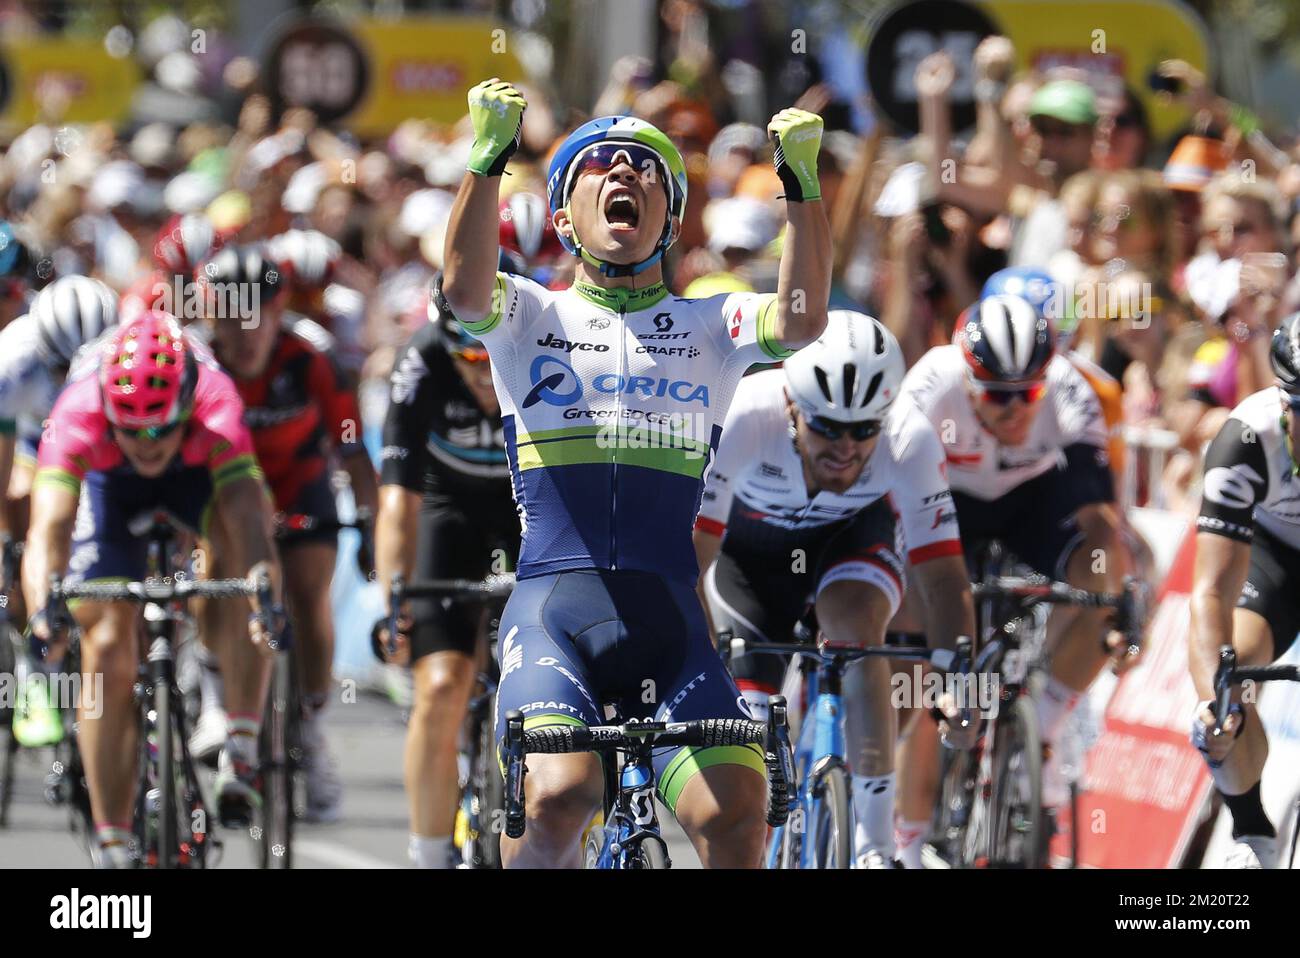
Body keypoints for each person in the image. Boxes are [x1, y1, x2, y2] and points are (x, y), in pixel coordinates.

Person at [439, 77, 830, 868]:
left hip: (669, 622)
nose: (625, 173)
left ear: (672, 220)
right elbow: (462, 287)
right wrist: (487, 160)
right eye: (601, 165)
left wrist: (803, 189)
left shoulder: (709, 324)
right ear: (562, 219)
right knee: (556, 797)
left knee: (738, 811)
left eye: (646, 167)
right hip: (556, 611)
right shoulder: (530, 316)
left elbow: (800, 319)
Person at [693, 311, 976, 867]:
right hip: (749, 564)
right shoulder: (745, 412)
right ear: (792, 404)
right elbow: (692, 561)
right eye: (828, 427)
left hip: (848, 547)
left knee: (856, 635)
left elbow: (943, 577)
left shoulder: (909, 437)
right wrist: (697, 653)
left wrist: (957, 682)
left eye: (864, 429)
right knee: (747, 731)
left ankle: (873, 846)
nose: (846, 447)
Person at [23, 310, 283, 867]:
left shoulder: (218, 405)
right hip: (108, 488)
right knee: (108, 642)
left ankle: (236, 734)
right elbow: (48, 528)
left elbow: (245, 515)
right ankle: (112, 839)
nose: (145, 443)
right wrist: (44, 609)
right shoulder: (77, 414)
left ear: (186, 407)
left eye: (158, 429)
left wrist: (263, 593)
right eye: (131, 430)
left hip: (196, 477)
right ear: (107, 412)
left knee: (243, 558)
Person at [900, 285, 1134, 810]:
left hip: (1031, 501)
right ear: (966, 377)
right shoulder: (932, 383)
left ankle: (1046, 728)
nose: (1013, 410)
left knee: (1105, 569)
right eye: (996, 396)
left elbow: (1099, 511)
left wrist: (1114, 590)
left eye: (1026, 394)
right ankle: (909, 828)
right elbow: (890, 500)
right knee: (917, 650)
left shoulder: (1069, 388)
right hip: (948, 503)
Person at [193, 244, 378, 822]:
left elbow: (351, 449)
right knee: (222, 570)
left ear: (280, 313)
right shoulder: (197, 364)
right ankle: (218, 699)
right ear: (209, 317)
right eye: (229, 321)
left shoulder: (313, 360)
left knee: (307, 593)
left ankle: (315, 728)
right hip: (223, 492)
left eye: (258, 320)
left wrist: (371, 526)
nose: (245, 335)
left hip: (300, 489)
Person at [373, 278, 519, 868]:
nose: (484, 376)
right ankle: (430, 855)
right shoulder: (422, 363)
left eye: (493, 360)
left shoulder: (543, 347)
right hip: (445, 509)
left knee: (543, 689)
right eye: (469, 360)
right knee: (438, 687)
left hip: (524, 508)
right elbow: (396, 506)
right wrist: (394, 604)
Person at [1188, 311, 1300, 868]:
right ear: (1285, 405)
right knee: (1236, 667)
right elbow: (1209, 593)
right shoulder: (1246, 438)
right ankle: (1254, 830)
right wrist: (1216, 703)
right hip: (1276, 557)